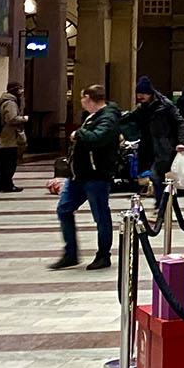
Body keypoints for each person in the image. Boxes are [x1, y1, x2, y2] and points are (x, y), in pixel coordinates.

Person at [53, 84, 121, 270]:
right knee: (64, 210)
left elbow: (98, 138)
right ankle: (71, 254)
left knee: (101, 216)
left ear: (89, 98)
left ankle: (103, 255)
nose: (81, 102)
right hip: (79, 176)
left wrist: (79, 134)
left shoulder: (108, 118)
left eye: (83, 98)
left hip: (96, 176)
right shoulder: (92, 117)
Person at [129, 76, 182, 206]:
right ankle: (163, 203)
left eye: (142, 94)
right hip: (149, 146)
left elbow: (179, 122)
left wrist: (182, 142)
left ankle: (162, 204)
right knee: (155, 176)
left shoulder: (165, 105)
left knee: (156, 175)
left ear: (150, 94)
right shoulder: (143, 107)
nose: (139, 97)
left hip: (164, 146)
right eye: (138, 94)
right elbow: (132, 118)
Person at [0, 81, 28, 193]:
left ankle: (0, 184)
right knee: (9, 161)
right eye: (20, 89)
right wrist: (24, 119)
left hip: (6, 136)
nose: (22, 91)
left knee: (2, 161)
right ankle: (7, 184)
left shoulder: (5, 101)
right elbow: (12, 119)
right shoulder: (10, 103)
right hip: (11, 136)